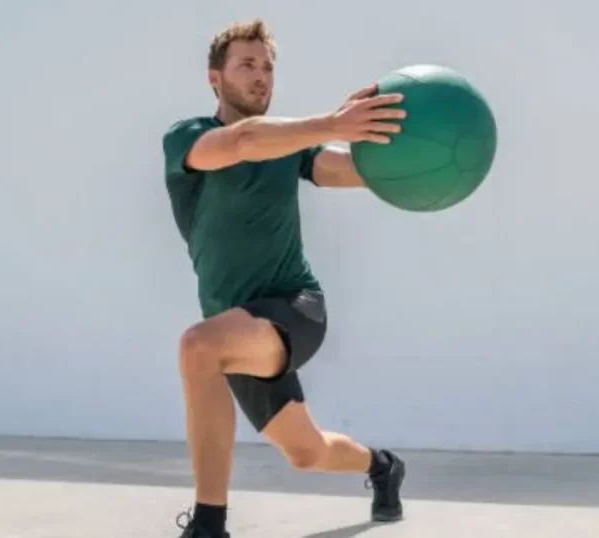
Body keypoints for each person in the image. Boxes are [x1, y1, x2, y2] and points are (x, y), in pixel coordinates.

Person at [161, 18, 409, 538]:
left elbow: (351, 170)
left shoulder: (292, 148)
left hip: (296, 308)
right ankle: (383, 467)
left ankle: (209, 526)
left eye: (268, 67)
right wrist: (333, 123)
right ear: (215, 79)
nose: (261, 76)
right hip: (236, 326)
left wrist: (413, 157)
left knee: (196, 347)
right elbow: (243, 142)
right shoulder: (188, 140)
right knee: (306, 451)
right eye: (246, 65)